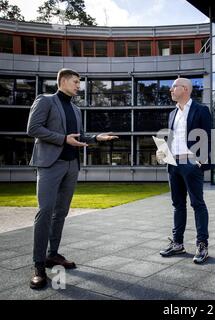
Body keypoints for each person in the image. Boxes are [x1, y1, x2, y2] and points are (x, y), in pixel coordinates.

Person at [26, 68, 118, 289]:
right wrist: (62, 139)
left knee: (61, 213)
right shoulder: (45, 101)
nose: (79, 86)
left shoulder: (76, 109)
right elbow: (33, 128)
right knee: (45, 211)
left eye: (79, 82)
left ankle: (52, 255)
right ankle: (38, 265)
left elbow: (79, 137)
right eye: (76, 82)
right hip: (49, 165)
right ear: (63, 81)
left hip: (71, 166)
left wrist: (97, 137)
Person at [156, 78, 211, 264]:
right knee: (177, 204)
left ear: (185, 89)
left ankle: (202, 244)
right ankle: (178, 243)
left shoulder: (201, 110)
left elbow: (208, 136)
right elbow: (173, 139)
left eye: (174, 86)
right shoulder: (172, 114)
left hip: (191, 164)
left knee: (197, 204)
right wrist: (162, 151)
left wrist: (200, 161)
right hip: (173, 165)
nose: (171, 90)